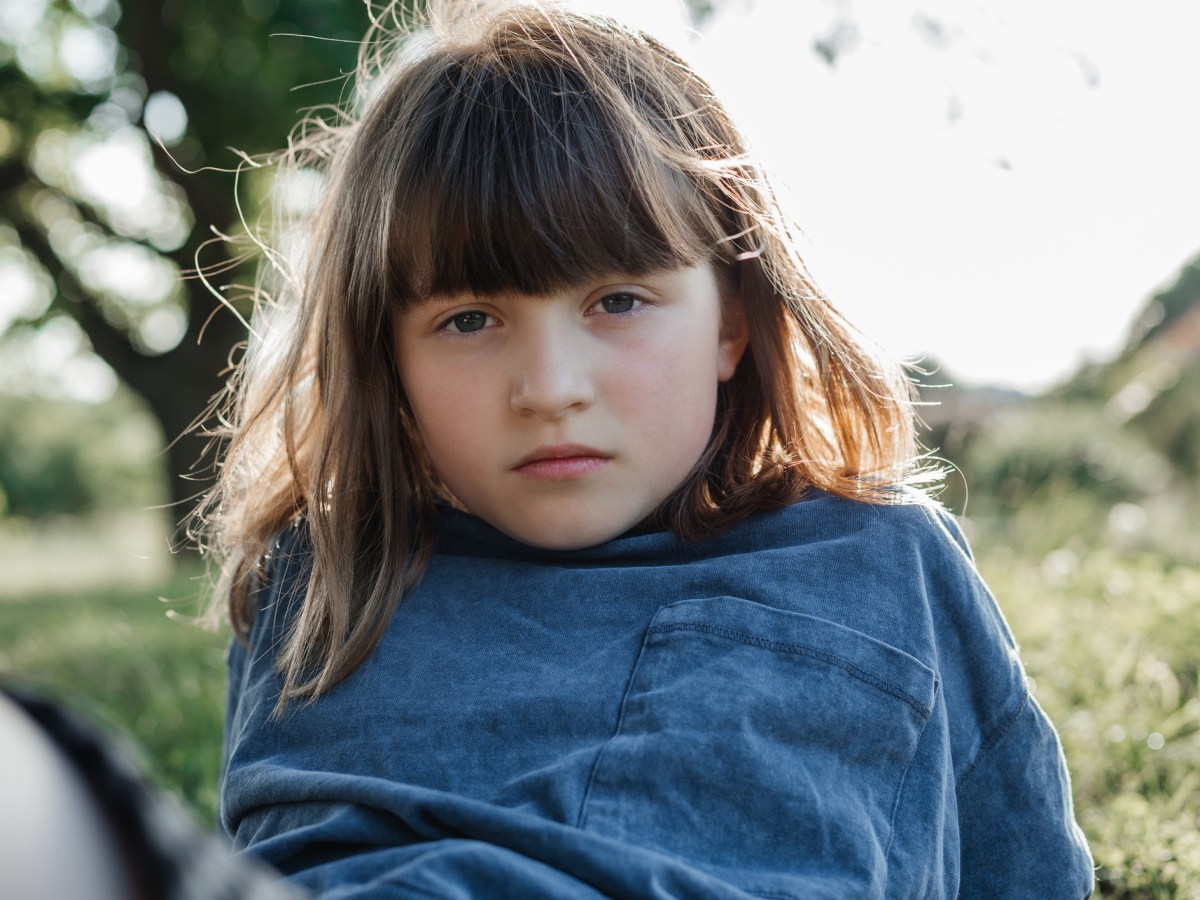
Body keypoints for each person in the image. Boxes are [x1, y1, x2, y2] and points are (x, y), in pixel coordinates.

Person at [202, 0, 1095, 895]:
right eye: (469, 320)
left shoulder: (877, 561)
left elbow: (1021, 868)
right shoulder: (329, 581)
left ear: (732, 321)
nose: (550, 387)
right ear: (387, 359)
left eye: (618, 301)